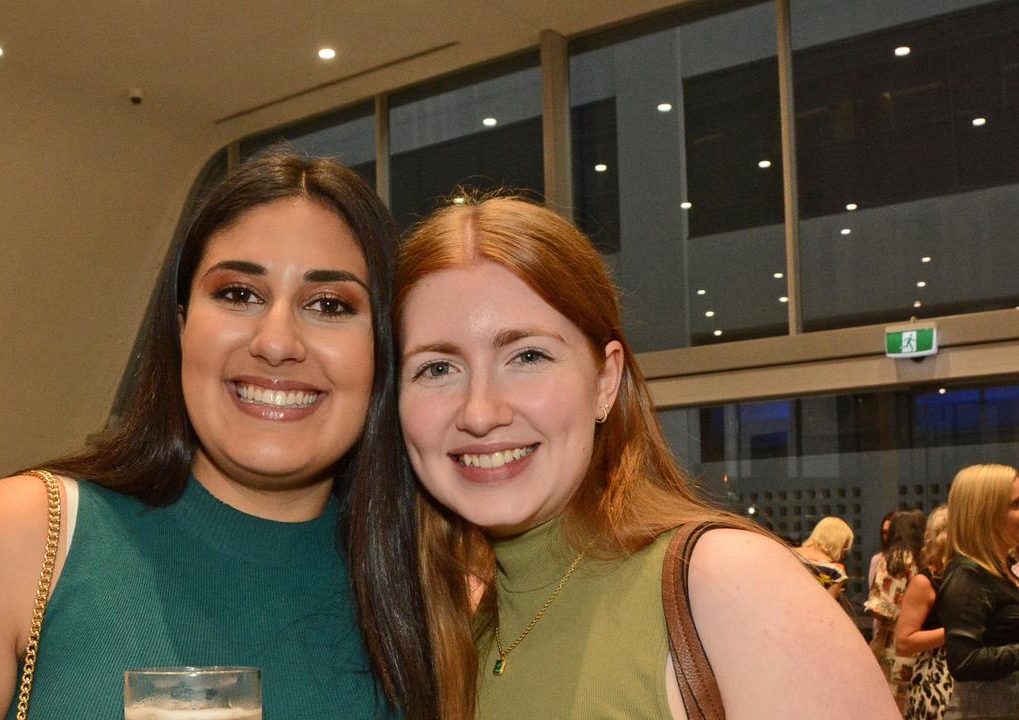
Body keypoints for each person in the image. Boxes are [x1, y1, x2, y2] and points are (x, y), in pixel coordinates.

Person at [0, 150, 430, 718]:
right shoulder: (24, 538)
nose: (276, 342)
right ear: (182, 327)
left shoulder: (427, 591)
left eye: (329, 304)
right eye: (237, 294)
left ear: (383, 350)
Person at [362, 195, 898, 719]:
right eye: (437, 368)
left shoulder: (725, 584)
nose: (480, 413)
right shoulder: (461, 635)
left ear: (605, 379)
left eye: (527, 356)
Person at [936, 464, 1019, 720]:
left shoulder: (1000, 569)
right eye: (1016, 504)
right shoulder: (967, 574)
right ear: (987, 511)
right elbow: (964, 661)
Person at [896, 505, 954, 720]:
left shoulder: (968, 577)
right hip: (936, 681)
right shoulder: (926, 581)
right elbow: (904, 642)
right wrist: (955, 632)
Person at [866, 509, 927, 713]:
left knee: (895, 707)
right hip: (925, 644)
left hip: (895, 644)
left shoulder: (893, 559)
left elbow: (879, 607)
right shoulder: (927, 560)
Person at [796, 516, 854, 599]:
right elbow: (828, 605)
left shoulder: (787, 553)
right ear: (838, 544)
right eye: (845, 546)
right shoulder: (836, 571)